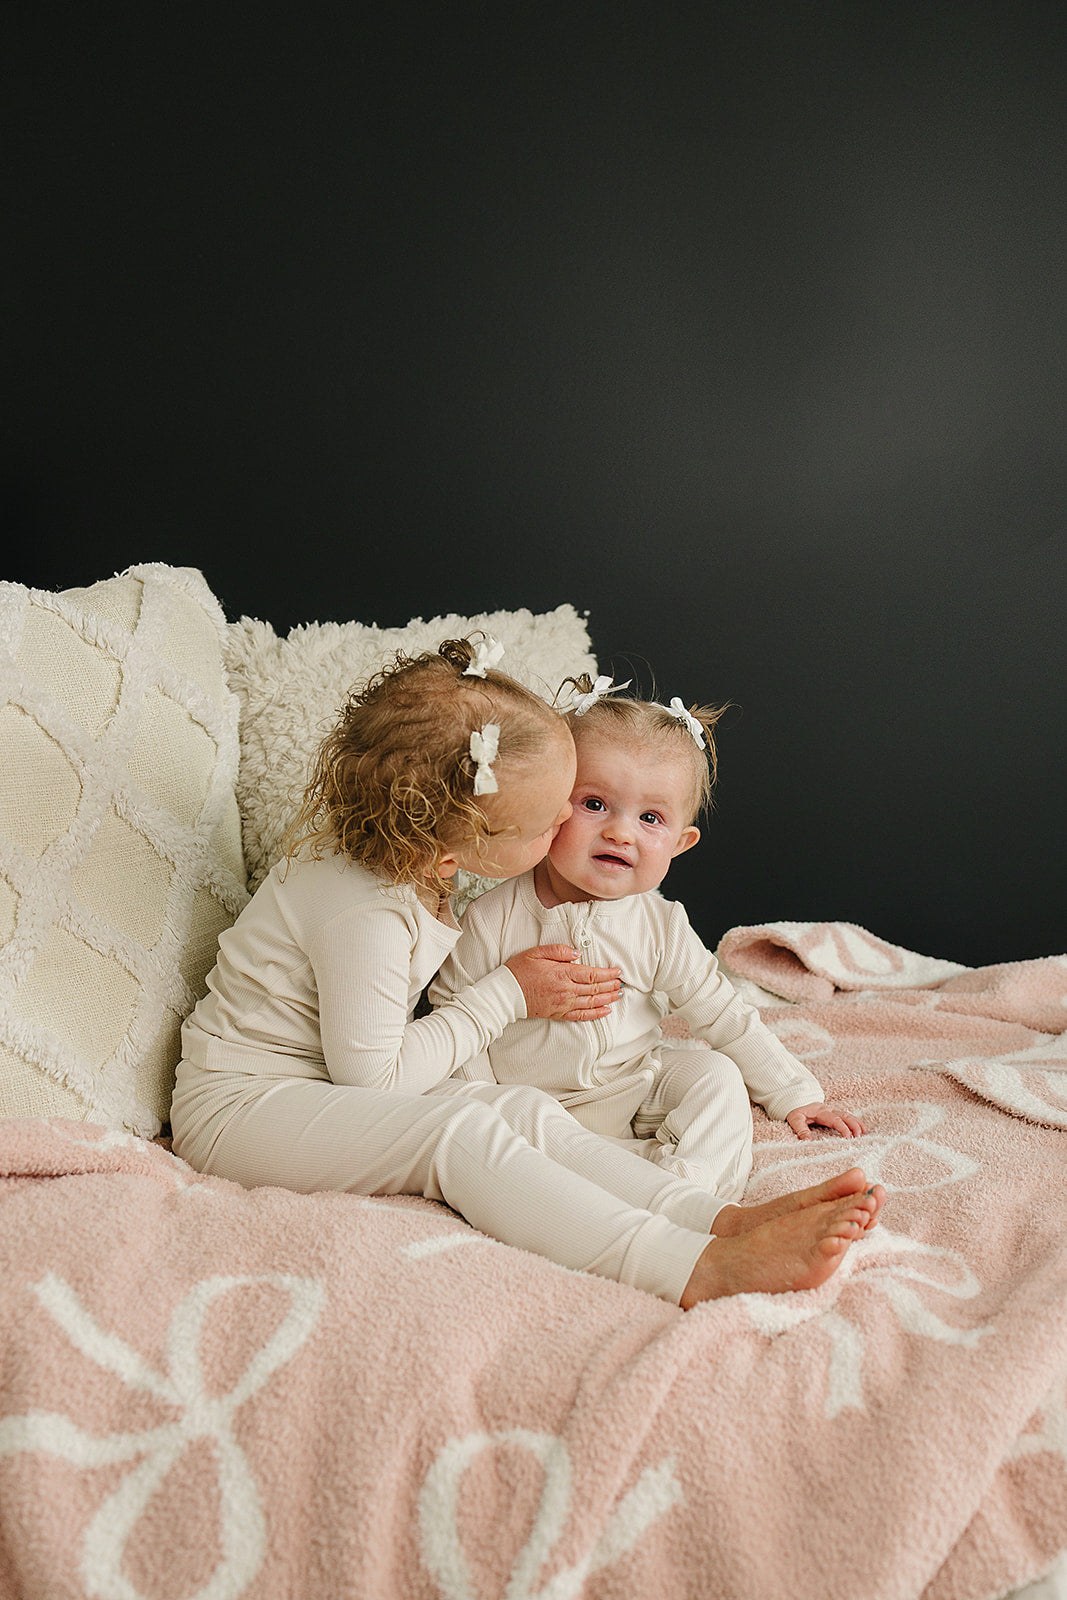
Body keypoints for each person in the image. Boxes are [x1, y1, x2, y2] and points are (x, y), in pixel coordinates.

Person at [171, 639, 883, 1310]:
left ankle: (714, 1217)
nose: (572, 832)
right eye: (551, 818)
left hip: (305, 1093)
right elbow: (374, 1080)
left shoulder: (408, 860)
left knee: (516, 1112)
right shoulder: (366, 908)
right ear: (473, 829)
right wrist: (507, 992)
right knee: (456, 1135)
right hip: (242, 1112)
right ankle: (688, 1266)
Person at [432, 676, 868, 1221]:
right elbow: (454, 1021)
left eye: (651, 818)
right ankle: (626, 1183)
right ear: (550, 806)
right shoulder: (492, 917)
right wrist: (488, 1107)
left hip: (633, 1092)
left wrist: (795, 1093)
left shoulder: (660, 924)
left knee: (715, 1076)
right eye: (594, 803)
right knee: (495, 1115)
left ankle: (684, 1187)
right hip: (535, 1108)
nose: (621, 833)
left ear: (680, 844)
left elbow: (723, 1015)